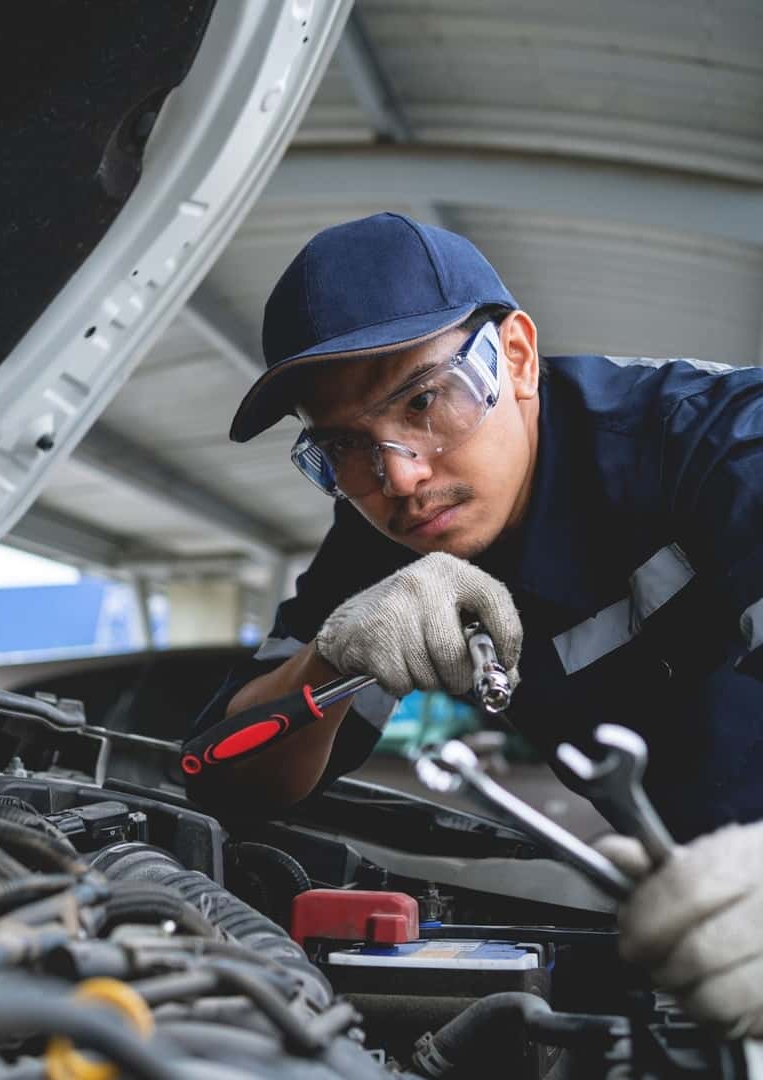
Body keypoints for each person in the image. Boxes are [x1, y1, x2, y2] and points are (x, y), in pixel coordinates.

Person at [187, 210, 763, 1032]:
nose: (398, 477)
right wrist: (329, 660)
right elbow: (223, 774)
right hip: (703, 933)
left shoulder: (714, 440)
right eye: (345, 446)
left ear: (517, 358)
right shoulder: (380, 543)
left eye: (424, 401)